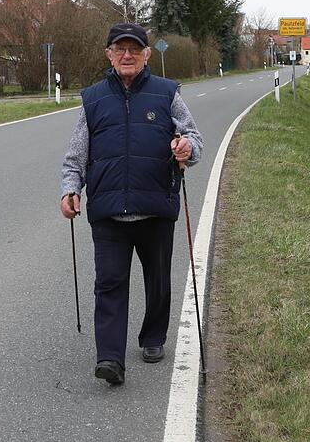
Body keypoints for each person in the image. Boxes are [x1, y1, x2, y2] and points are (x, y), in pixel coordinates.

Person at [60, 23, 203, 386]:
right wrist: (70, 189)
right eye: (120, 49)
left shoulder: (167, 94)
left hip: (155, 207)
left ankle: (153, 338)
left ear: (146, 55)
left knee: (157, 280)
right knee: (109, 283)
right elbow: (76, 156)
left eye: (134, 50)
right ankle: (110, 358)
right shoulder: (92, 100)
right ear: (109, 54)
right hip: (108, 211)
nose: (127, 55)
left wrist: (186, 148)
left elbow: (194, 140)